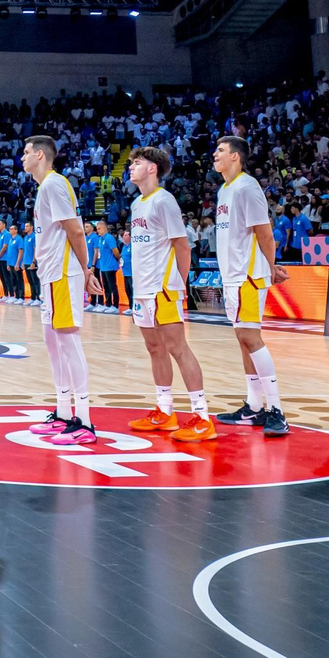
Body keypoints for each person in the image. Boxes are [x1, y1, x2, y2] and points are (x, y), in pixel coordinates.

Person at [124, 146, 214, 442]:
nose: (131, 167)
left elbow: (182, 245)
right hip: (143, 290)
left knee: (178, 348)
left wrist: (179, 283)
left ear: (152, 168)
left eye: (137, 163)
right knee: (155, 349)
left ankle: (202, 416)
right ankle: (165, 411)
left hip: (163, 287)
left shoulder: (164, 201)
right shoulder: (138, 203)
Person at [210, 136, 290, 437]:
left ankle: (277, 410)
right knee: (243, 339)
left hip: (248, 274)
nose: (215, 154)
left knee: (250, 336)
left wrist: (271, 266)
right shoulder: (224, 189)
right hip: (232, 274)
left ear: (236, 157)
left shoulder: (247, 186)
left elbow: (265, 233)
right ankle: (254, 406)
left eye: (221, 150)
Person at [23, 136, 101, 445]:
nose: (22, 157)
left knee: (68, 340)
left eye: (27, 152)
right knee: (53, 342)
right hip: (50, 274)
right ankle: (64, 411)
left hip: (63, 273)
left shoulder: (55, 185)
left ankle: (84, 420)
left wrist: (85, 270)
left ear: (40, 155)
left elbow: (75, 230)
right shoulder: (46, 187)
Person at [93, 223, 121, 312]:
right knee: (106, 286)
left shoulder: (109, 238)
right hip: (103, 266)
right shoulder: (100, 239)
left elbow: (115, 251)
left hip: (110, 266)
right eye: (97, 229)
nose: (97, 231)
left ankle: (115, 306)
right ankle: (108, 304)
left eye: (99, 229)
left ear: (104, 228)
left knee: (112, 286)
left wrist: (118, 260)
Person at [20, 222, 40, 307]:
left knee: (35, 281)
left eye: (27, 226)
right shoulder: (25, 238)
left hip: (32, 262)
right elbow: (25, 251)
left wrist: (34, 262)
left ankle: (38, 298)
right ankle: (32, 298)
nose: (25, 227)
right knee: (30, 281)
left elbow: (35, 249)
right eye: (25, 226)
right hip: (27, 262)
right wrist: (23, 262)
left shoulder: (34, 236)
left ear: (32, 227)